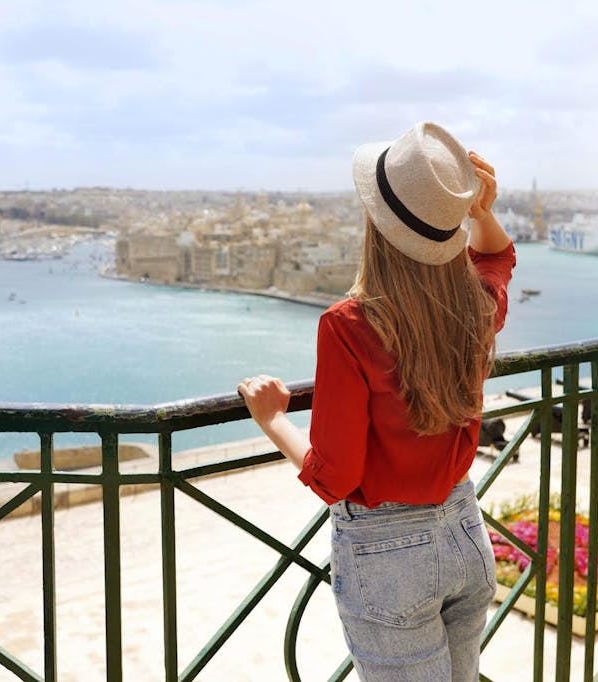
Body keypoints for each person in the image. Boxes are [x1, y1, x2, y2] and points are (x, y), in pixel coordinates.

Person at [238, 121, 515, 681]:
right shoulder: (474, 307)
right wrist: (481, 214)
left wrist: (273, 420)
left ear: (377, 223)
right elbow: (497, 260)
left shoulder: (350, 325)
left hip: (388, 555)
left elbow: (335, 477)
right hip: (465, 529)